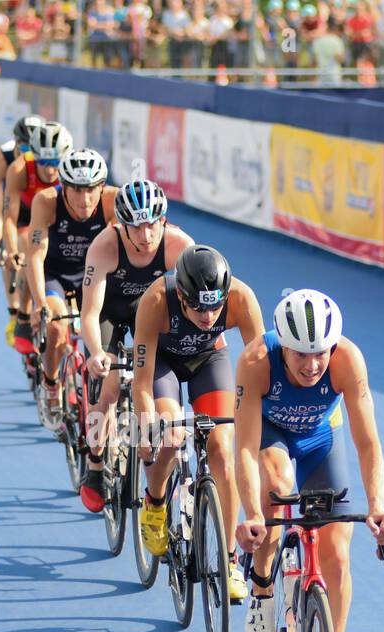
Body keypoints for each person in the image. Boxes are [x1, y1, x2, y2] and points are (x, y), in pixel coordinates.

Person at [234, 289, 384, 632]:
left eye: (319, 354)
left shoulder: (349, 360)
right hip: (271, 436)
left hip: (321, 440)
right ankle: (264, 588)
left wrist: (378, 508)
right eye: (300, 354)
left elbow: (367, 443)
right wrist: (251, 513)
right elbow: (245, 449)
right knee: (276, 485)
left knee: (338, 556)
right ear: (282, 344)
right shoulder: (254, 361)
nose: (310, 366)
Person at [134, 245, 262, 602]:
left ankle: (231, 561)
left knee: (223, 447)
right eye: (199, 308)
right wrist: (147, 424)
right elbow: (142, 383)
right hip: (163, 363)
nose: (208, 317)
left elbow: (263, 369)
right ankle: (156, 503)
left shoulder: (241, 297)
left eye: (215, 307)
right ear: (181, 296)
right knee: (172, 435)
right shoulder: (156, 300)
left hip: (209, 360)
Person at [78, 179, 194, 513]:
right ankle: (96, 464)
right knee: (111, 387)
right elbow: (89, 313)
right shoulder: (104, 246)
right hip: (112, 315)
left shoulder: (179, 245)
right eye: (136, 227)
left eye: (151, 225)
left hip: (154, 318)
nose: (145, 237)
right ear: (122, 226)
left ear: (163, 221)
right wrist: (98, 353)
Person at [25, 147, 116, 426]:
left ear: (102, 187)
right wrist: (40, 302)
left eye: (91, 189)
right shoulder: (46, 201)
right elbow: (35, 255)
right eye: (76, 189)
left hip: (95, 276)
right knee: (55, 324)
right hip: (57, 275)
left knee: (109, 332)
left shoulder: (113, 201)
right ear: (63, 187)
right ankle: (51, 385)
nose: (84, 198)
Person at [5, 120, 73, 353]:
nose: (50, 170)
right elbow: (8, 218)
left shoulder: (72, 173)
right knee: (27, 248)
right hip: (27, 217)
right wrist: (11, 249)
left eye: (56, 163)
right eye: (43, 162)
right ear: (33, 156)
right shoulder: (18, 169)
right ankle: (23, 318)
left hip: (59, 221)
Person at [0, 114, 44, 346]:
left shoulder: (50, 157)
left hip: (43, 208)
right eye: (24, 147)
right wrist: (0, 244)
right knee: (14, 250)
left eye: (33, 148)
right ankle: (14, 313)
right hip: (17, 210)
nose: (29, 153)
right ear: (15, 143)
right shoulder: (0, 160)